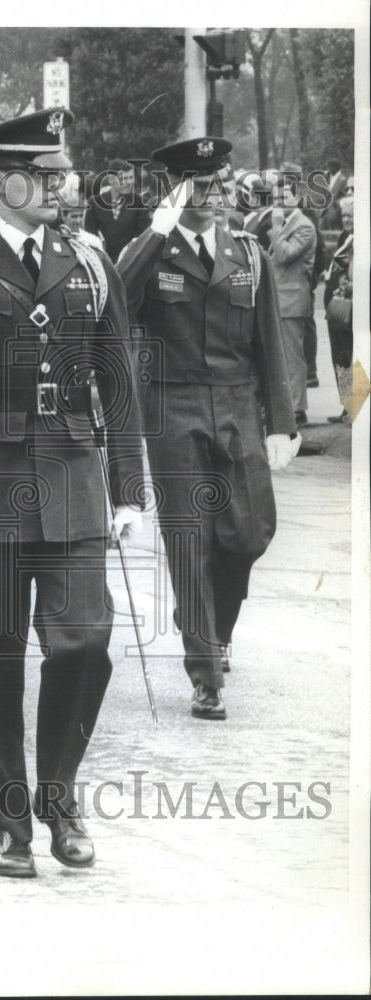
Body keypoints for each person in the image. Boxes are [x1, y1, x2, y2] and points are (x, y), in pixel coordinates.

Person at [0, 108, 144, 878]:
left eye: (59, 174)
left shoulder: (90, 264)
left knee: (84, 642)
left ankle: (59, 795)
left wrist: (129, 491)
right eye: (39, 175)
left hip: (73, 477)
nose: (57, 187)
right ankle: (9, 824)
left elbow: (118, 385)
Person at [117, 137, 300, 721]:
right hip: (173, 407)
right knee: (188, 541)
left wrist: (282, 423)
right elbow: (115, 301)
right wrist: (155, 232)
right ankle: (205, 672)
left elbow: (269, 343)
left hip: (238, 406)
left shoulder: (248, 253)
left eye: (218, 183)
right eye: (197, 185)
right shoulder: (152, 250)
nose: (211, 194)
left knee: (248, 535)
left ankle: (213, 630)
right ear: (175, 189)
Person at [267, 171, 317, 424]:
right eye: (276, 198)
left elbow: (285, 254)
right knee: (284, 356)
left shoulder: (304, 226)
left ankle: (298, 409)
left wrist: (275, 227)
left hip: (293, 301)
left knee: (294, 358)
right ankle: (289, 406)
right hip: (281, 299)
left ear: (296, 198)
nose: (280, 203)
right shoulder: (288, 223)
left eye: (284, 198)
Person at [323, 196, 354, 423]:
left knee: (351, 357)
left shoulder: (360, 239)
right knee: (340, 358)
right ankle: (347, 406)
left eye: (350, 216)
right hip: (336, 307)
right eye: (344, 215)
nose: (346, 219)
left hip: (351, 308)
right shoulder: (345, 236)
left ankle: (355, 408)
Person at [84, 158, 149, 262]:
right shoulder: (95, 202)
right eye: (123, 179)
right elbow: (89, 236)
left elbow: (142, 237)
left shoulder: (139, 203)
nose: (128, 182)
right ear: (111, 179)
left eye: (130, 178)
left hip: (129, 262)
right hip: (102, 262)